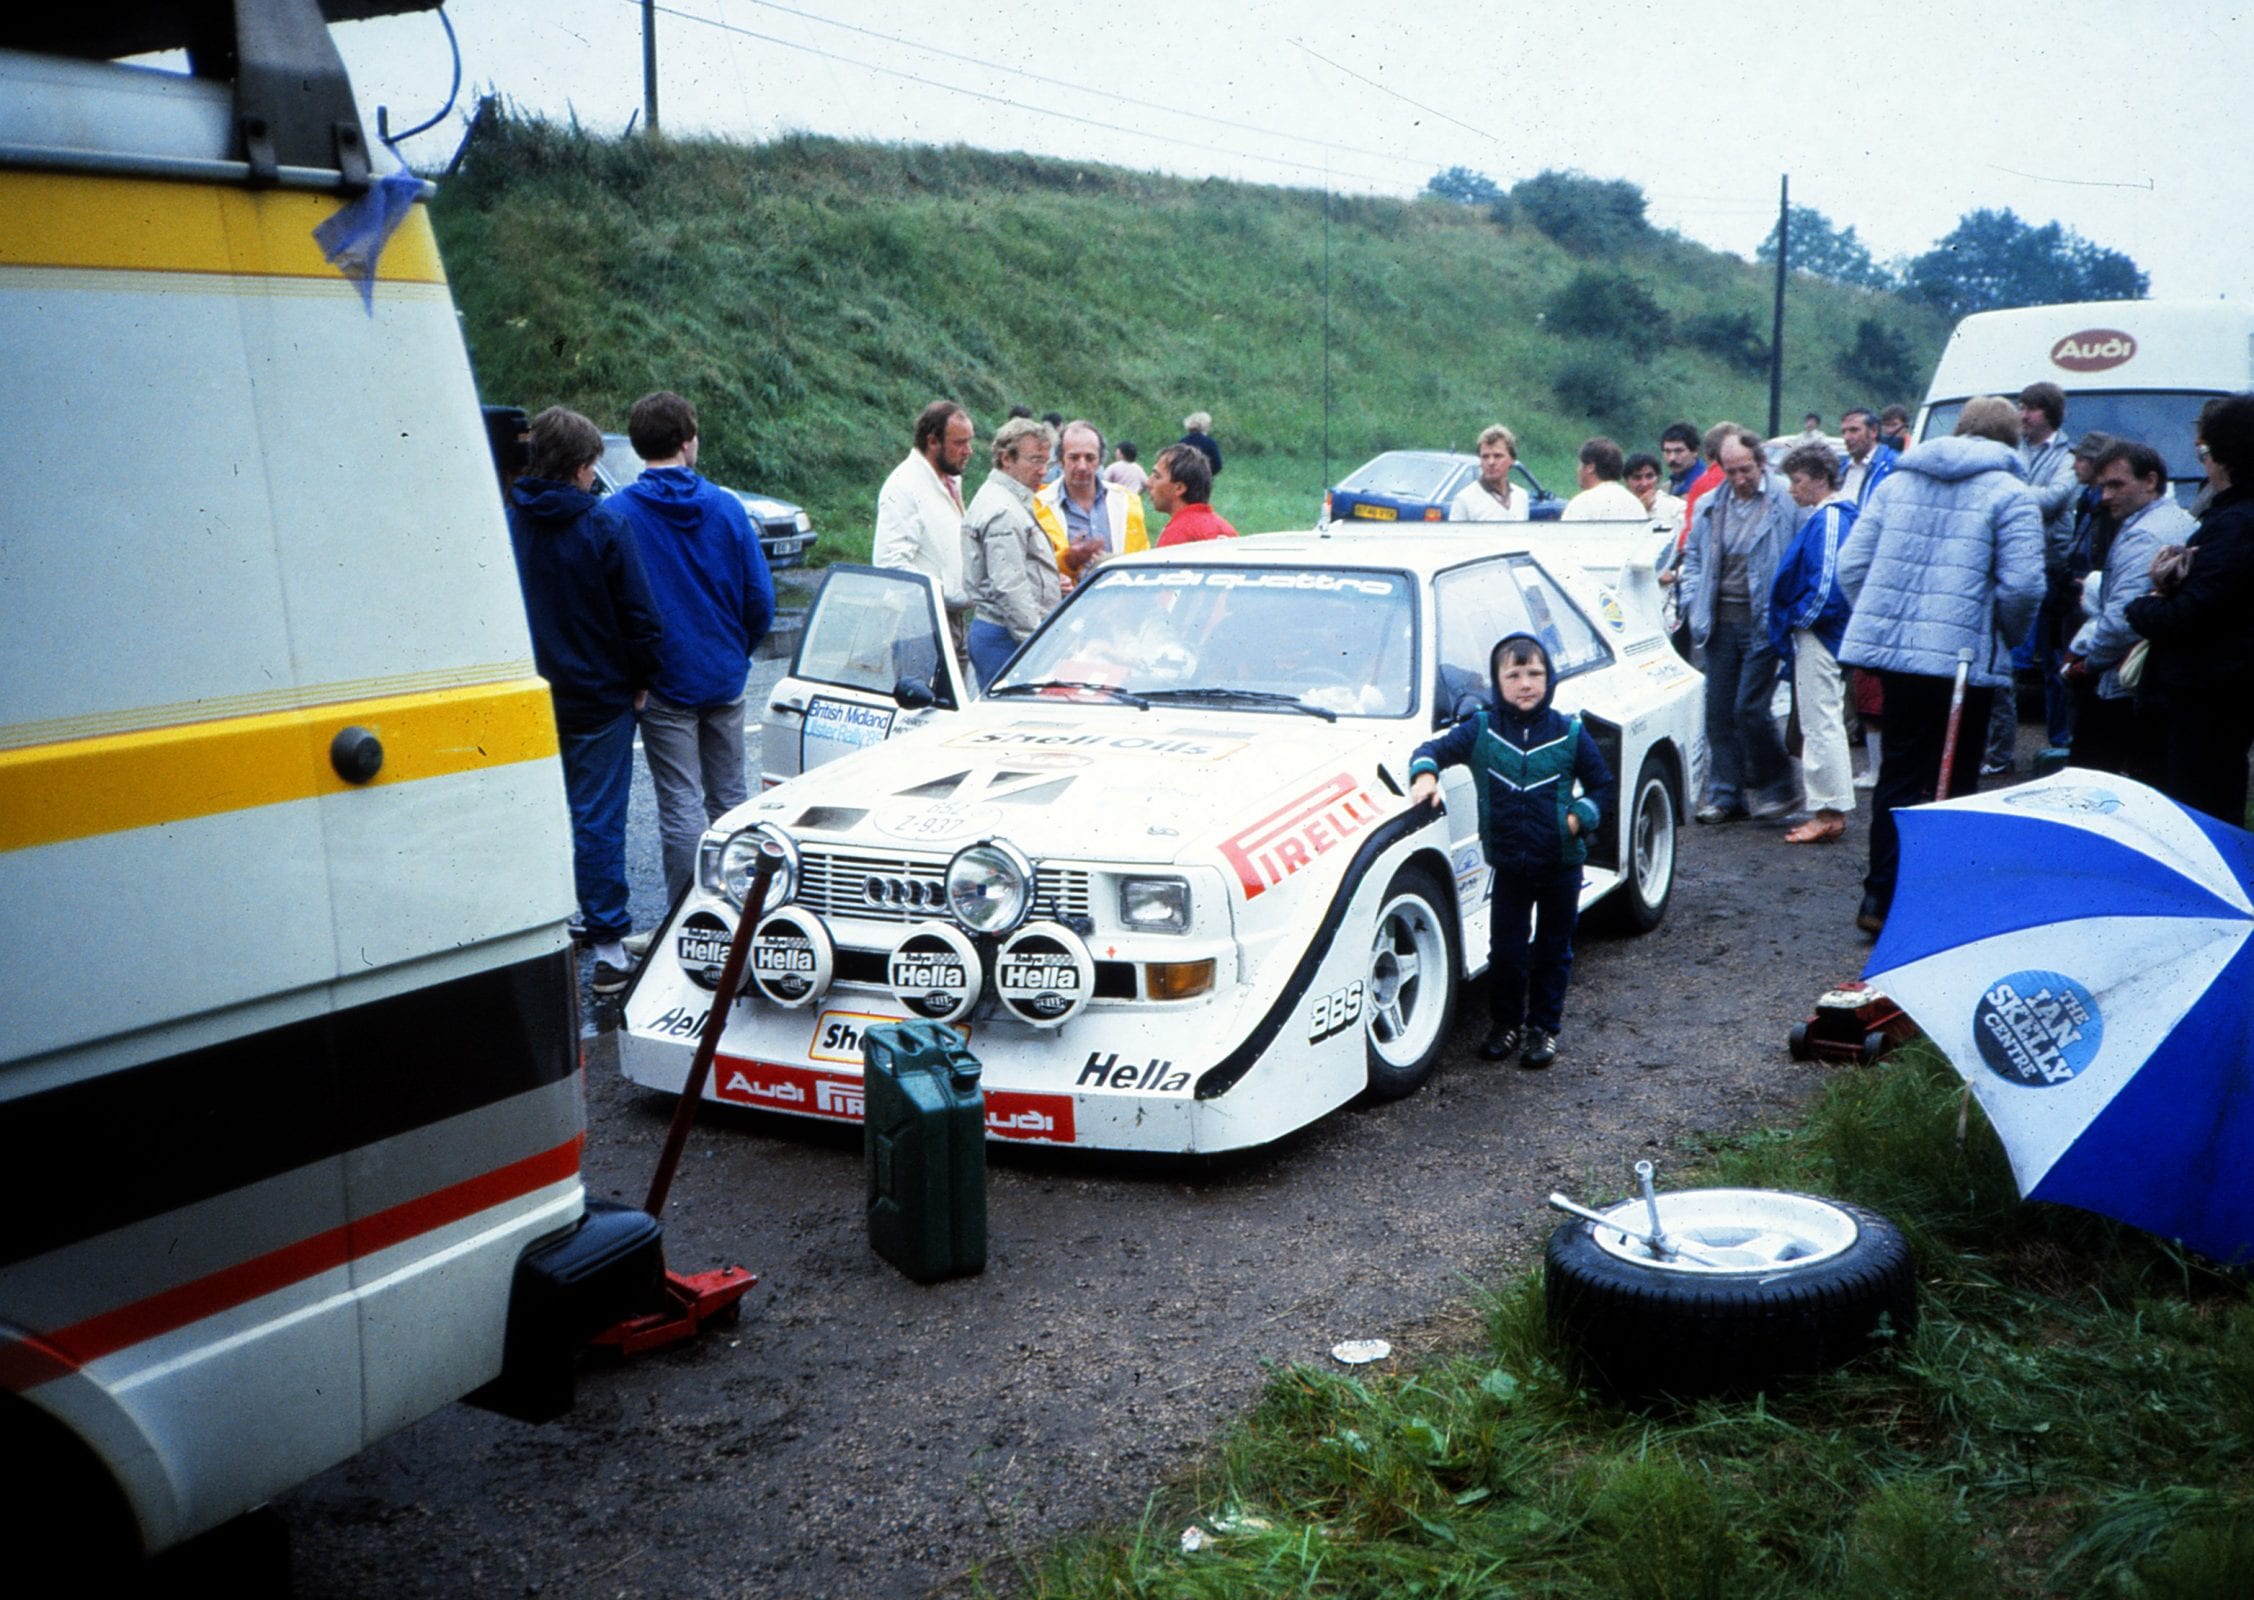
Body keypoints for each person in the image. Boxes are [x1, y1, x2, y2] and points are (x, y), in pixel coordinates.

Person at [1836, 395, 2043, 934]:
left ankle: (1879, 899)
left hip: (1901, 656)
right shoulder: (2012, 493)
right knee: (1955, 779)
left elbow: (1851, 565)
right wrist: (2005, 638)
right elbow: (2024, 587)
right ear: (2011, 440)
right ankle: (1936, 903)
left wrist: (1885, 621)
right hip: (1964, 661)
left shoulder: (1897, 482)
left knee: (1899, 774)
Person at [505, 406, 664, 994]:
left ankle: (544, 930)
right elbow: (641, 619)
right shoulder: (603, 526)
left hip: (530, 698)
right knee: (598, 819)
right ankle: (607, 948)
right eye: (592, 464)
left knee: (543, 816)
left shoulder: (506, 522)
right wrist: (642, 680)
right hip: (599, 698)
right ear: (578, 467)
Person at [1408, 634, 1612, 1070]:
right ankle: (1506, 1025)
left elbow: (1602, 786)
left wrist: (1579, 818)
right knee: (1506, 952)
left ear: (1549, 679)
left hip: (1561, 867)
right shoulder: (1482, 730)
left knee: (1554, 951)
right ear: (1496, 681)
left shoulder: (1570, 732)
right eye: (1513, 674)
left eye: (1535, 673)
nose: (1525, 684)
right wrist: (1425, 776)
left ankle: (1543, 1029)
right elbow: (1431, 750)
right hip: (1510, 869)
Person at [612, 392, 775, 906]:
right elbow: (760, 598)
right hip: (723, 674)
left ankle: (688, 913)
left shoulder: (617, 514)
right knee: (730, 796)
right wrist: (737, 650)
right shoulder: (727, 507)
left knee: (680, 802)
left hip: (662, 680)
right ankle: (739, 910)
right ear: (687, 442)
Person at [2123, 392, 2254, 825]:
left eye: (2205, 451)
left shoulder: (2235, 525)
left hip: (2207, 697)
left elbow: (2189, 615)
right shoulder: (2231, 519)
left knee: (2196, 816)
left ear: (2225, 456)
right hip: (2220, 693)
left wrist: (2144, 605)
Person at [1677, 427, 1801, 822]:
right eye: (1730, 471)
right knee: (1718, 712)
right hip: (1719, 621)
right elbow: (1694, 558)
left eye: (1745, 469)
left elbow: (1799, 553)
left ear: (1761, 463)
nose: (1739, 479)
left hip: (1763, 620)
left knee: (1750, 707)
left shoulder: (1785, 501)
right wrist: (1692, 600)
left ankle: (1780, 787)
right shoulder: (1710, 504)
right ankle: (1725, 796)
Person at [2063, 441, 2189, 781]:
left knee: (2091, 781)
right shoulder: (2175, 519)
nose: (2106, 496)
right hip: (2152, 677)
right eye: (2103, 486)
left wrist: (2090, 662)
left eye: (2116, 485)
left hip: (2124, 683)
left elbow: (2123, 618)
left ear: (2150, 481)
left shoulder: (2145, 534)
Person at [1769, 444, 1859, 843]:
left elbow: (1827, 583)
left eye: (1798, 480)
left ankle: (1830, 811)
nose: (1792, 489)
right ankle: (1828, 807)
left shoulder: (1831, 518)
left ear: (1821, 478)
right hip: (1821, 632)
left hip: (1820, 633)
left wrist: (1798, 620)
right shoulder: (1827, 517)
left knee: (1820, 721)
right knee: (1820, 719)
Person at [875, 399, 977, 666]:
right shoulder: (903, 486)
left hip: (952, 620)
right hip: (917, 626)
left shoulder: (950, 481)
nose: (968, 451)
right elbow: (890, 564)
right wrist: (950, 595)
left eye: (969, 441)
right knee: (924, 695)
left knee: (956, 694)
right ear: (932, 441)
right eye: (959, 443)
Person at [962, 415, 1060, 686]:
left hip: (1003, 631)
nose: (1043, 471)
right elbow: (1009, 586)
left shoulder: (1003, 498)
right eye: (1035, 460)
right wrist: (1036, 643)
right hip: (1006, 636)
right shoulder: (1003, 510)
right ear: (1006, 459)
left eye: (1047, 462)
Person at [1034, 420, 1148, 577]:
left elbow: (1142, 559)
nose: (1082, 466)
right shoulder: (1039, 505)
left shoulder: (1126, 501)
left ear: (1100, 460)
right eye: (1074, 458)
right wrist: (1068, 560)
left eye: (1090, 458)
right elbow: (1033, 568)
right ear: (1060, 460)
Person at [1150, 442, 1238, 546]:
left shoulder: (1177, 534)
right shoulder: (1227, 530)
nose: (1149, 482)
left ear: (1179, 488)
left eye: (1157, 476)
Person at [1450, 424, 1529, 521]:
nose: (1491, 462)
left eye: (1498, 456)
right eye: (1485, 457)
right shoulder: (1464, 500)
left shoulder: (1521, 496)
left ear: (1512, 459)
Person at [1560, 436, 1648, 520]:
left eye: (1580, 464)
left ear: (1590, 467)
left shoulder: (1581, 504)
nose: (1578, 470)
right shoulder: (1636, 505)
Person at [1837, 407, 1899, 509]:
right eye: (1844, 432)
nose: (1846, 438)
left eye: (1854, 430)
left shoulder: (1893, 466)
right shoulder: (1840, 468)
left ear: (1873, 431)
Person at [1624, 452, 1685, 529]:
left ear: (1658, 478)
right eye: (1637, 477)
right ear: (1626, 481)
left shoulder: (1676, 508)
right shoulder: (1618, 508)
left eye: (1649, 476)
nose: (1644, 483)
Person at [1659, 422, 1702, 497]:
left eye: (1678, 451)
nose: (1672, 458)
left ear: (1695, 451)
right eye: (1667, 451)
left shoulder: (1706, 485)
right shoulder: (1667, 487)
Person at [1177, 409, 1222, 480]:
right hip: (1203, 480)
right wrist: (1207, 475)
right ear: (1206, 427)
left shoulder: (1182, 442)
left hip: (1185, 479)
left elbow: (1177, 462)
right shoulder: (1210, 442)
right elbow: (1218, 465)